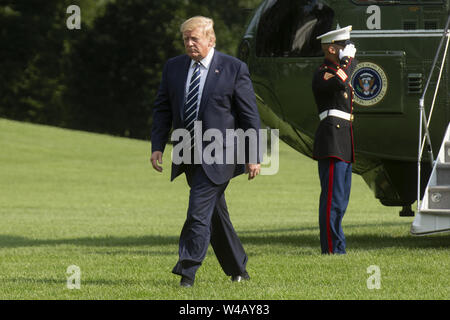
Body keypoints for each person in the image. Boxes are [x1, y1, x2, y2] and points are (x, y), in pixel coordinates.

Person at [150, 16, 261, 287]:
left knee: (198, 211)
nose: (189, 44)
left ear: (210, 40)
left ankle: (187, 273)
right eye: (185, 39)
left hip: (222, 154)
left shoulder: (234, 68)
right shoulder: (173, 67)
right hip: (188, 153)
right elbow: (162, 108)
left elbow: (249, 116)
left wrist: (253, 154)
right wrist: (157, 146)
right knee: (214, 215)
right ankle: (238, 269)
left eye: (194, 39)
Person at [312, 25, 357, 255]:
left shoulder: (340, 71)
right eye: (342, 46)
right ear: (331, 48)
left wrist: (347, 63)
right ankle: (330, 248)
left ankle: (338, 246)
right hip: (331, 140)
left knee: (340, 200)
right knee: (331, 200)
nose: (346, 50)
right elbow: (339, 82)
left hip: (342, 139)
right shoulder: (323, 73)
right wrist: (348, 62)